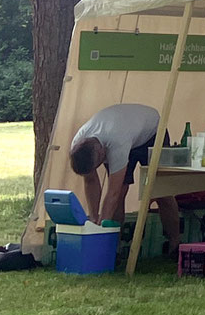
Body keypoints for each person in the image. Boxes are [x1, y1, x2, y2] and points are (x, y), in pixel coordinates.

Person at [68, 101, 180, 242]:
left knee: (161, 192)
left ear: (102, 153)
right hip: (126, 130)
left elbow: (112, 193)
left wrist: (101, 226)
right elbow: (90, 181)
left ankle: (175, 243)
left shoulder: (116, 143)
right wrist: (93, 219)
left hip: (152, 131)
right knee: (121, 192)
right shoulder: (78, 145)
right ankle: (114, 248)